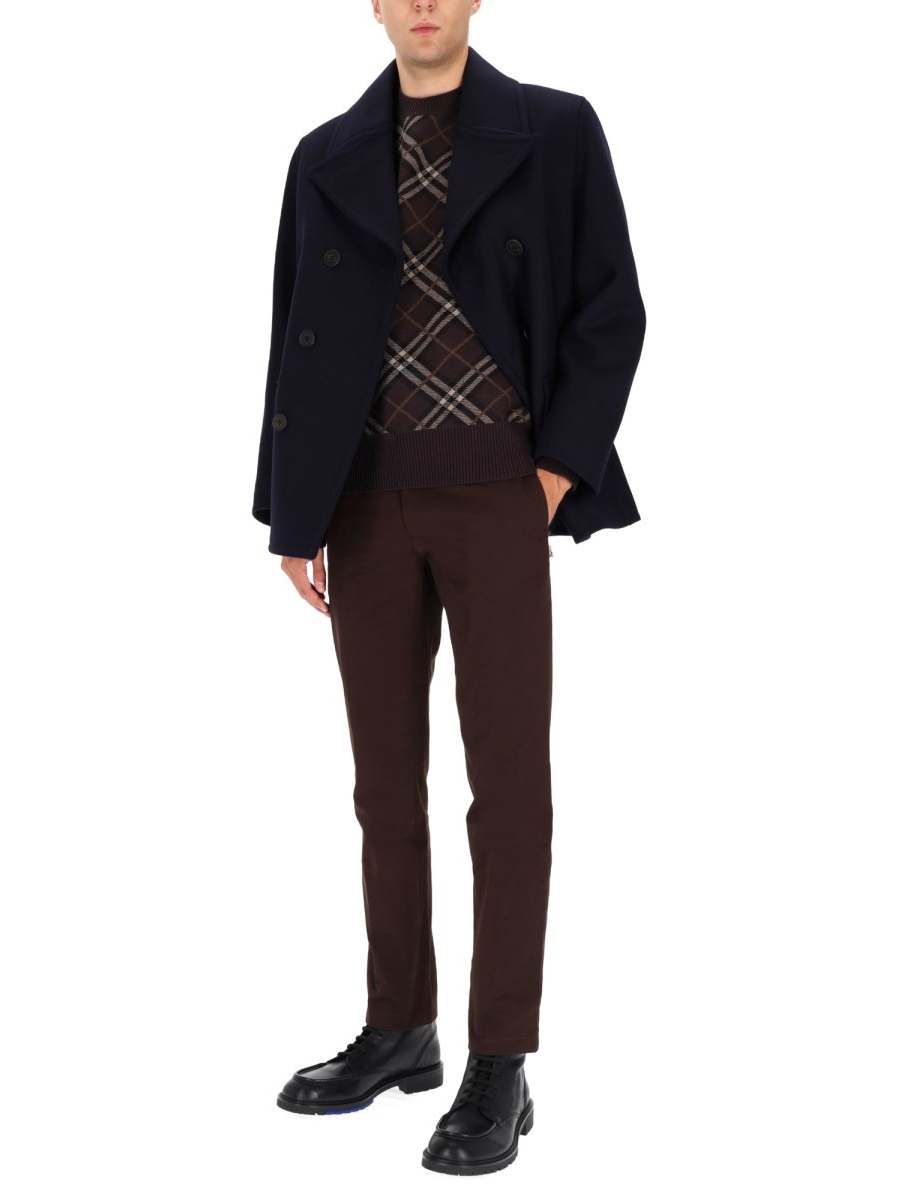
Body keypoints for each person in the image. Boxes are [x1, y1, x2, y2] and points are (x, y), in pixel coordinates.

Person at [253, 0, 646, 1176]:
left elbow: (612, 310)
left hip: (498, 494)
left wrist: (552, 473)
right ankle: (400, 1028)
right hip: (363, 500)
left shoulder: (556, 131)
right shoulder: (323, 157)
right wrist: (295, 512)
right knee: (384, 784)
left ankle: (500, 1062)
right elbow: (294, 336)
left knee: (508, 785)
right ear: (374, 5)